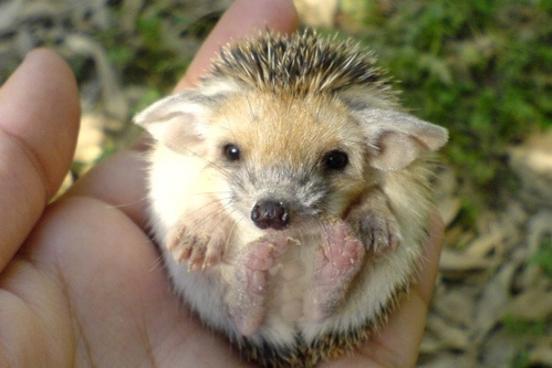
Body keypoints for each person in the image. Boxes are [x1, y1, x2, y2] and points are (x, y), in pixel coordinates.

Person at [0, 0, 443, 366]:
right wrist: (206, 213)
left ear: (387, 143)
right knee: (189, 198)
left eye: (331, 160)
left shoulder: (378, 145)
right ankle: (270, 295)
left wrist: (371, 205)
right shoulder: (194, 133)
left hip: (328, 263)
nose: (272, 206)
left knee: (394, 202)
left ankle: (305, 294)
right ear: (188, 128)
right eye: (233, 153)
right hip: (285, 272)